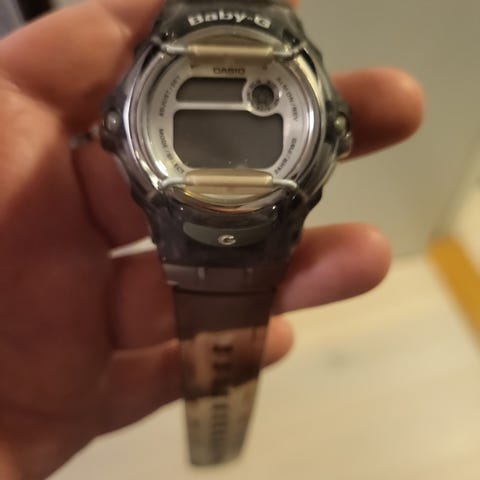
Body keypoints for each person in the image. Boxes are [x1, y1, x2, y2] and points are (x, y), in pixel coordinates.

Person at [0, 0, 424, 478]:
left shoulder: (167, 75)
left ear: (333, 127)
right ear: (119, 125)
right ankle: (218, 447)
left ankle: (219, 445)